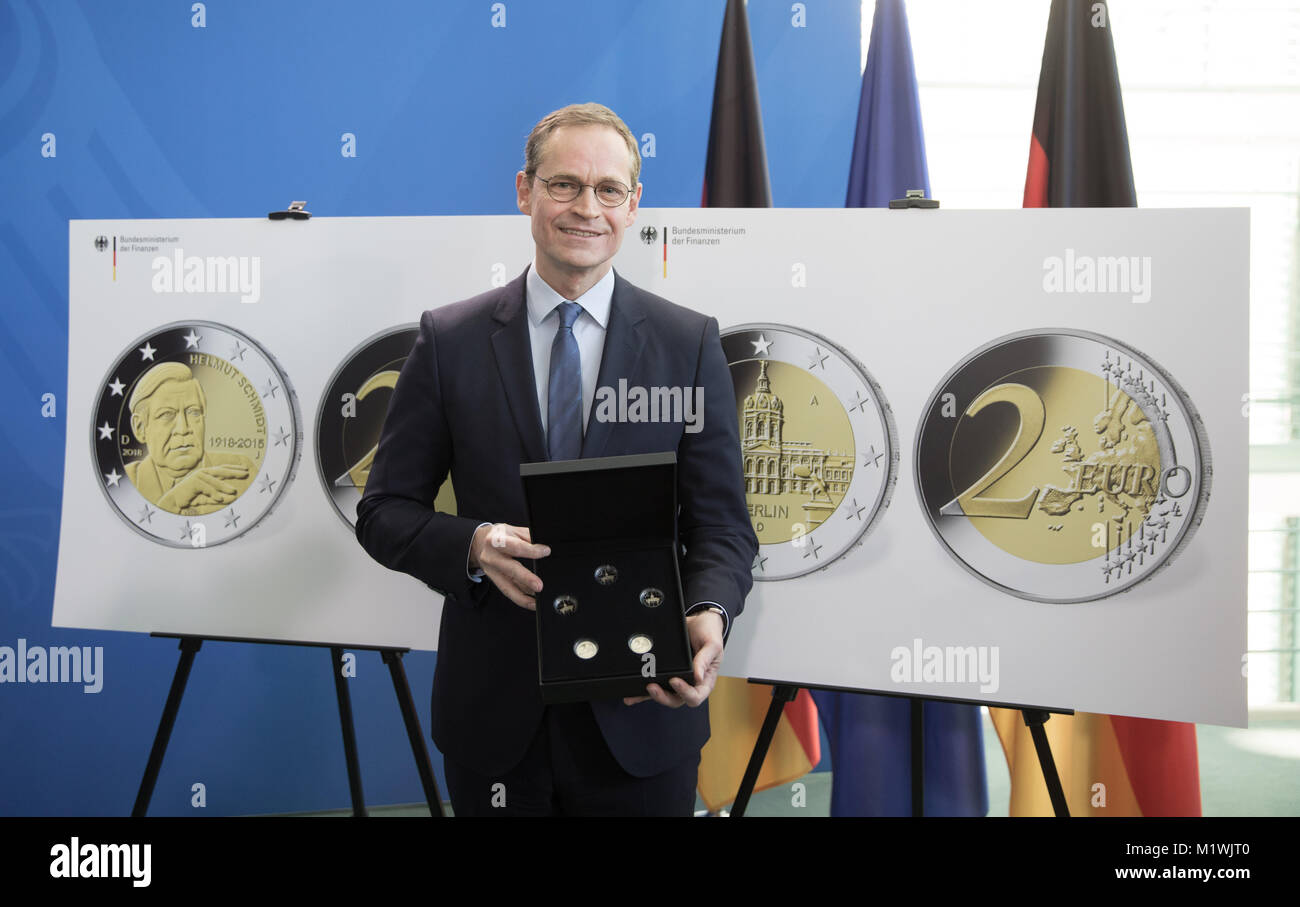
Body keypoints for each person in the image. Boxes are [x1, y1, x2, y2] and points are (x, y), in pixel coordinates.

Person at [356, 103, 757, 816]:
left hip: (643, 712)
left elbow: (723, 527)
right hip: (495, 719)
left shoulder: (688, 345)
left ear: (634, 206)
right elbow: (384, 513)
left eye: (608, 190)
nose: (587, 207)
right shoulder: (449, 341)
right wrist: (473, 543)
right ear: (525, 191)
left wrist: (709, 612)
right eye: (565, 184)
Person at [124, 362, 254, 515]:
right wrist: (170, 504)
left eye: (193, 412)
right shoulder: (126, 481)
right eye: (167, 414)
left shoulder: (243, 472)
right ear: (140, 428)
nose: (183, 429)